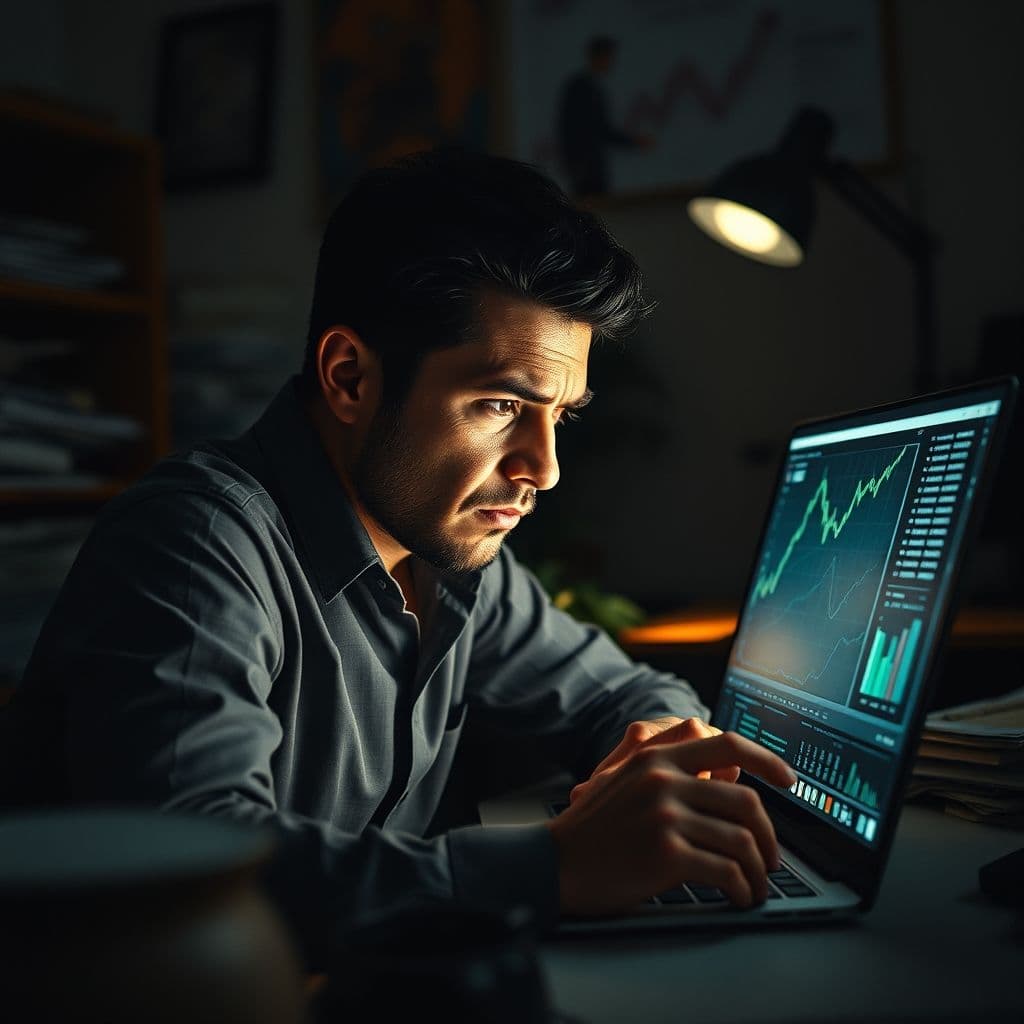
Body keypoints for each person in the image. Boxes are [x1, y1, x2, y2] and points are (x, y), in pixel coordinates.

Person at [0, 149, 794, 968]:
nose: (543, 469)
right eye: (499, 405)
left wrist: (657, 759)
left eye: (563, 416)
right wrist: (554, 866)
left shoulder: (450, 556)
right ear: (349, 377)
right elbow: (193, 867)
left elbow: (628, 691)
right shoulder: (198, 543)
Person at [557, 35, 653, 197]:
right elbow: (596, 128)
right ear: (598, 57)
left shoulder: (589, 87)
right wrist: (632, 141)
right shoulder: (581, 88)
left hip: (588, 166)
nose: (611, 62)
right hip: (586, 167)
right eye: (608, 57)